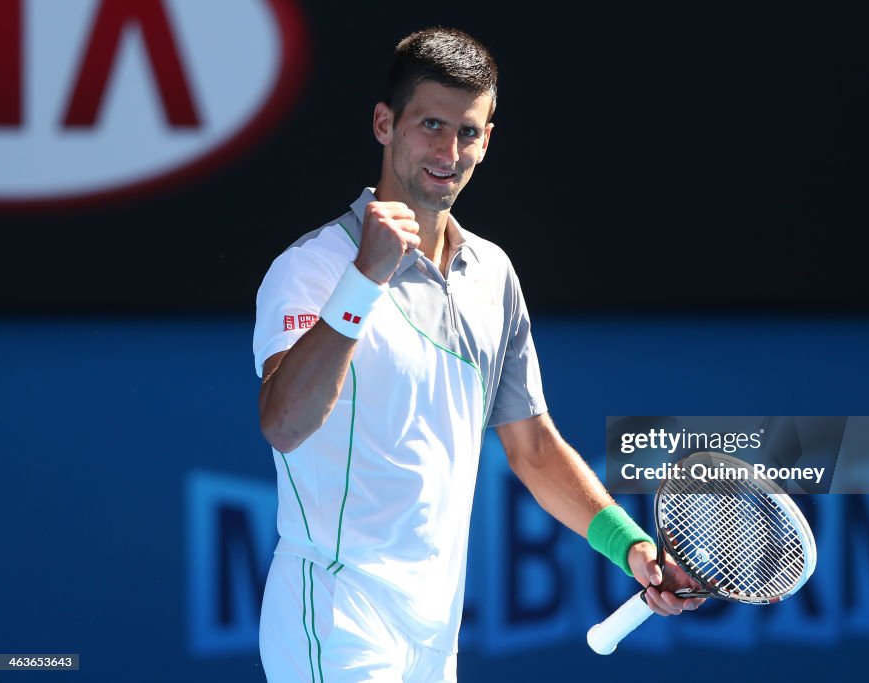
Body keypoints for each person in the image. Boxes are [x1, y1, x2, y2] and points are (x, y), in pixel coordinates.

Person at [252, 26, 703, 682]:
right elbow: (284, 423)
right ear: (384, 124)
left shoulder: (492, 274)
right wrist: (363, 280)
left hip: (434, 634)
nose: (448, 150)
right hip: (334, 611)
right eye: (430, 125)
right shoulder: (313, 269)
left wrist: (628, 545)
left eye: (468, 132)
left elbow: (534, 448)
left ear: (487, 140)